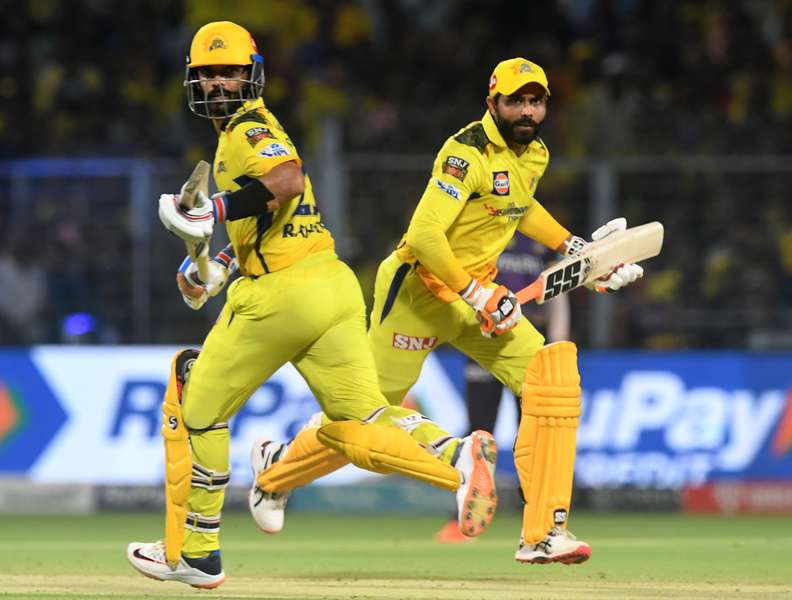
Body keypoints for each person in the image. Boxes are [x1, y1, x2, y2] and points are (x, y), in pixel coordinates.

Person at [125, 22, 498, 590]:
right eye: (209, 73)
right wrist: (216, 265)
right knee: (363, 415)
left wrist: (213, 212)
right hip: (331, 286)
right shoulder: (248, 133)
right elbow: (276, 217)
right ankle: (455, 455)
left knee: (197, 407)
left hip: (281, 297)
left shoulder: (248, 130)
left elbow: (288, 182)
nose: (220, 83)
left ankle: (197, 552)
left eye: (229, 72)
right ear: (194, 80)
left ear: (251, 76)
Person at [251, 57, 645, 565]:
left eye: (536, 101)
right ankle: (273, 473)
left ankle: (543, 532)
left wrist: (574, 249)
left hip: (476, 296)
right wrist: (478, 296)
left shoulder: (536, 154)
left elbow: (520, 206)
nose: (527, 111)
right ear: (492, 103)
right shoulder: (465, 153)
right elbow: (424, 236)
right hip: (417, 294)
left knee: (553, 381)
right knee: (363, 416)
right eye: (516, 101)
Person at [434, 238, 570, 544]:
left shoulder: (537, 242)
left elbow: (556, 289)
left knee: (535, 436)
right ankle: (461, 519)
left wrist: (557, 341)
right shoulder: (484, 232)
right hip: (484, 342)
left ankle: (540, 522)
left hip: (528, 343)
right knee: (479, 433)